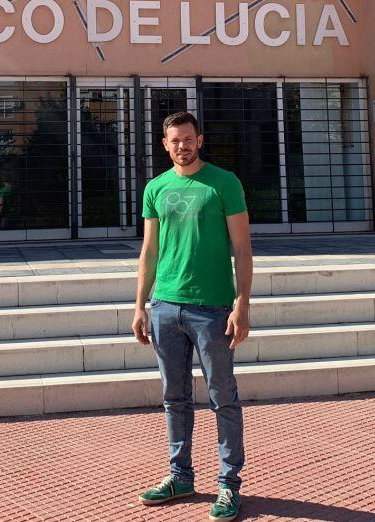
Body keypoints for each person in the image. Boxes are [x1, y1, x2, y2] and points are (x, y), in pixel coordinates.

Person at [132, 111, 252, 521]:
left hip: (213, 308)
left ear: (199, 140)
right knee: (174, 398)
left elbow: (242, 248)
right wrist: (140, 304)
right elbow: (149, 251)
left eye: (188, 138)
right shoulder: (156, 188)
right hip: (166, 306)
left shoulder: (224, 183)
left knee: (223, 398)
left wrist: (242, 303)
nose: (181, 146)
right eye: (174, 140)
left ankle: (228, 485)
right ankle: (180, 476)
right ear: (164, 145)